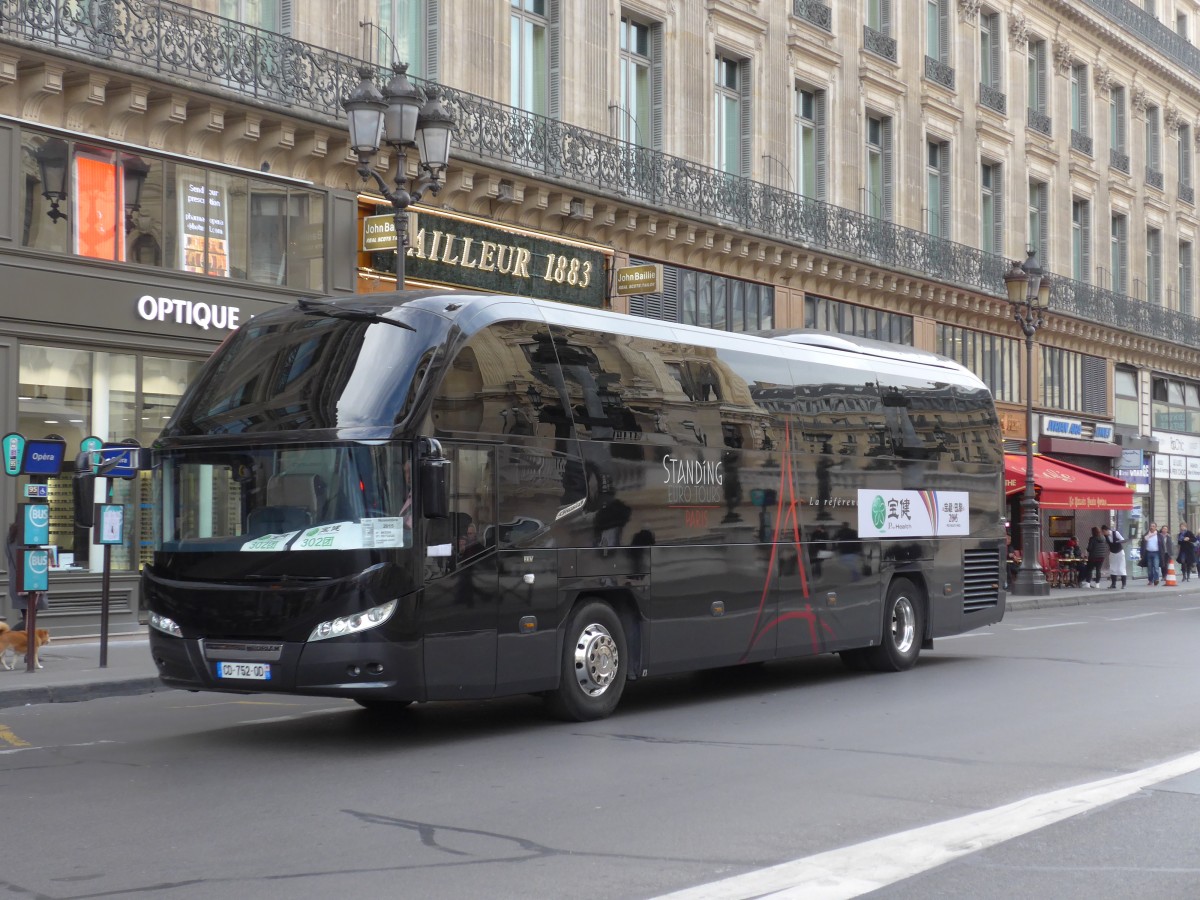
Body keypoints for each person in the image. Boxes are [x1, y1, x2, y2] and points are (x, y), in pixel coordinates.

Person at [5, 522, 48, 631]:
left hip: (17, 582)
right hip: (31, 582)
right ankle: (8, 637)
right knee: (29, 621)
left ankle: (22, 643)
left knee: (27, 618)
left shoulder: (11, 537)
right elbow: (34, 559)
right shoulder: (29, 537)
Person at [1102, 524, 1127, 589]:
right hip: (1112, 553)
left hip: (1119, 552)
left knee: (1121, 567)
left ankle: (1123, 584)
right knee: (1113, 568)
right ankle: (1113, 584)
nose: (1104, 533)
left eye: (1104, 532)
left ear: (1107, 530)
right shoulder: (1105, 536)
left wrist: (1118, 542)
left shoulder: (1116, 533)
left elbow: (1122, 540)